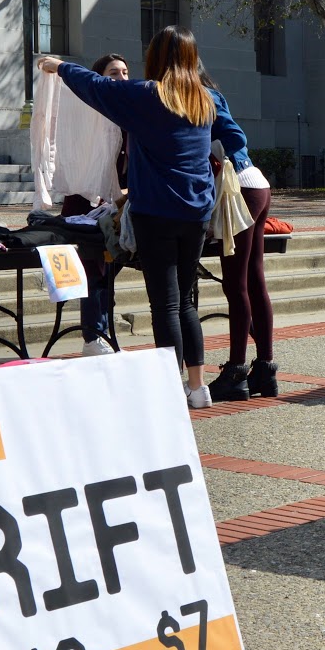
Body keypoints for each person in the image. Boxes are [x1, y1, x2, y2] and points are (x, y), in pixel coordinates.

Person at [37, 26, 218, 408]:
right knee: (186, 301)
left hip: (157, 212)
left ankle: (170, 388)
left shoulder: (148, 95)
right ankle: (198, 387)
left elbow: (98, 88)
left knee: (165, 305)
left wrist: (61, 66)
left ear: (155, 56)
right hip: (197, 212)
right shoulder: (205, 99)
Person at [198, 68, 277, 402]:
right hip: (255, 182)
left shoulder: (202, 96)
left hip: (239, 188)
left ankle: (236, 371)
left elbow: (232, 139)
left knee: (236, 283)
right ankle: (265, 369)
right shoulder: (211, 92)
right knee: (253, 279)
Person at [68, 52, 131, 357]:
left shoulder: (127, 113)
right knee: (94, 269)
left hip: (116, 205)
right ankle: (93, 336)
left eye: (124, 72)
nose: (121, 78)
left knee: (108, 269)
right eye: (113, 73)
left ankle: (100, 330)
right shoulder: (90, 116)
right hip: (87, 203)